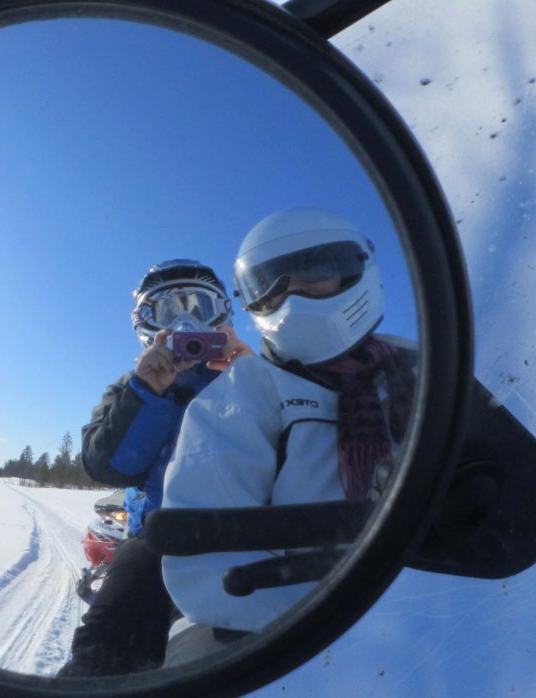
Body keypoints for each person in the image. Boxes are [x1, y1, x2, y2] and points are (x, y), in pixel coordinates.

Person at [158, 208, 416, 664]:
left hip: (433, 614)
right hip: (289, 635)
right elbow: (207, 570)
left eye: (315, 270)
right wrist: (347, 619)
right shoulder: (244, 391)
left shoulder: (423, 367)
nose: (291, 297)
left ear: (357, 268)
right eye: (270, 286)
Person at [57, 259, 235, 677]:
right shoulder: (132, 385)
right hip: (156, 536)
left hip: (243, 534)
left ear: (222, 315)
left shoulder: (249, 376)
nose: (186, 321)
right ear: (146, 323)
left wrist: (247, 378)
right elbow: (107, 466)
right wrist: (149, 393)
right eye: (168, 311)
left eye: (199, 306)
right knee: (105, 643)